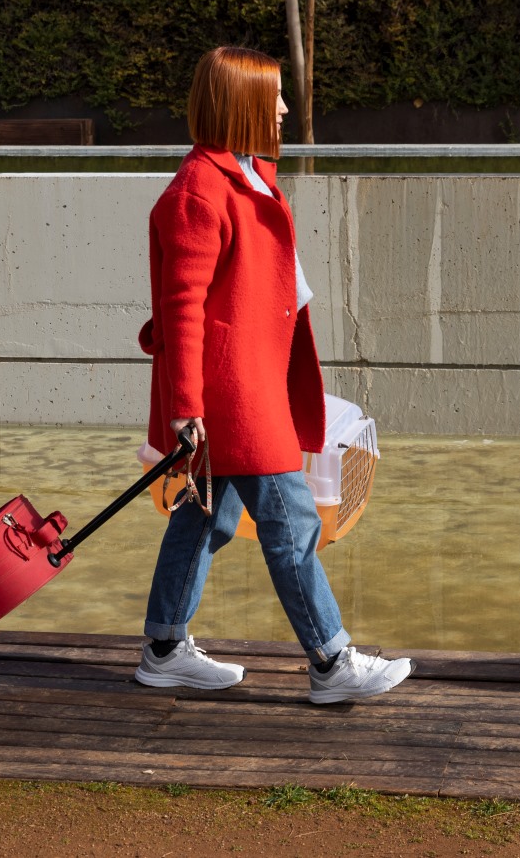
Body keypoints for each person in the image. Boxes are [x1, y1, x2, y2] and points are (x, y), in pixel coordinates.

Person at [132, 45, 413, 704]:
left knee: (206, 516)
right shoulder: (198, 192)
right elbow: (182, 306)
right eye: (273, 97)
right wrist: (186, 405)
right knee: (292, 521)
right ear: (240, 104)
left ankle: (164, 649)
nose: (285, 108)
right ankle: (332, 661)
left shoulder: (248, 173)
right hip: (231, 393)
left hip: (252, 379)